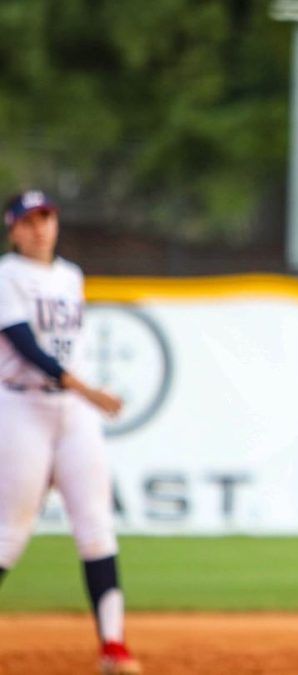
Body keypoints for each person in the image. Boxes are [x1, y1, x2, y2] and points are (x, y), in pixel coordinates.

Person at [0, 190, 141, 674]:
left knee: (97, 527)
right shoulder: (5, 275)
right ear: (13, 228)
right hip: (21, 407)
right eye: (29, 221)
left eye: (47, 218)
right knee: (9, 535)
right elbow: (27, 349)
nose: (40, 228)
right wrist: (90, 390)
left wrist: (82, 395)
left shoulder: (70, 277)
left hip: (73, 414)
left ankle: (114, 647)